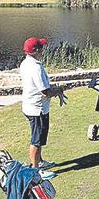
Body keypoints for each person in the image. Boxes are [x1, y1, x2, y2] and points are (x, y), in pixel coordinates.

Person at [20, 37, 66, 179]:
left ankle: (39, 162)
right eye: (41, 47)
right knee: (36, 140)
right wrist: (58, 91)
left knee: (39, 137)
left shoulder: (25, 63)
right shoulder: (36, 67)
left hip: (31, 106)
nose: (43, 50)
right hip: (37, 109)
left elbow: (41, 86)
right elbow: (44, 91)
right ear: (36, 51)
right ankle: (36, 171)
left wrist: (55, 89)